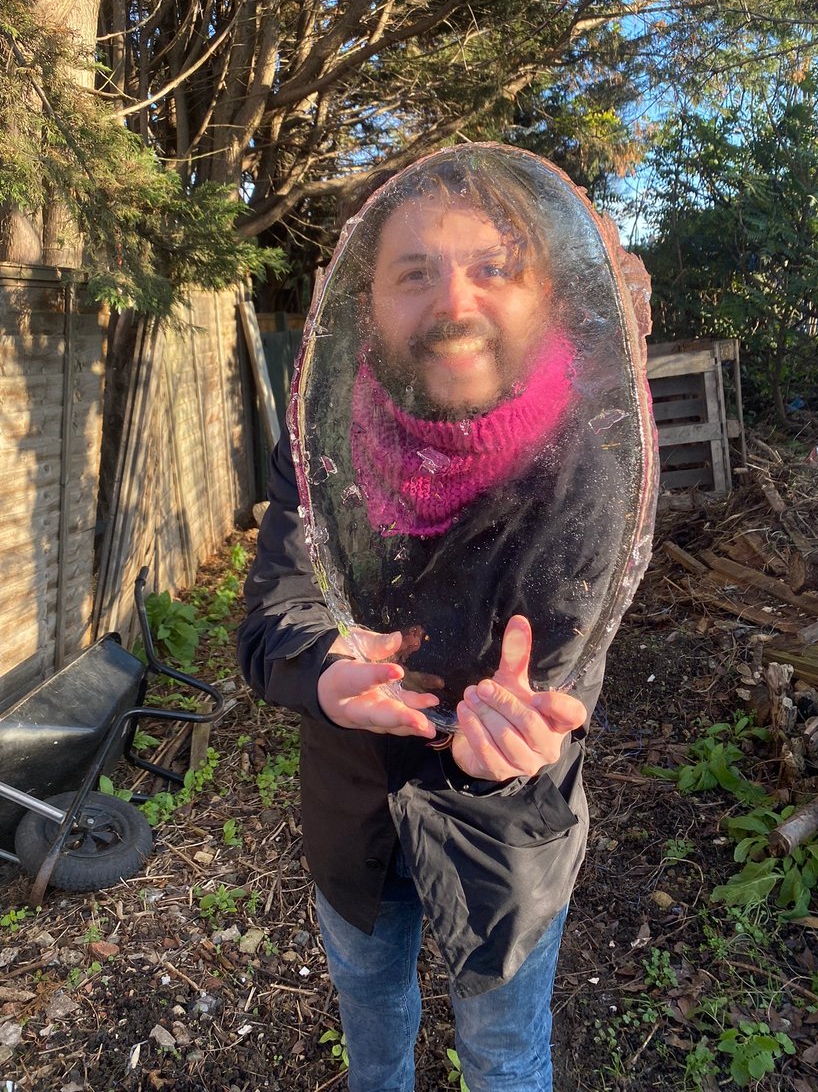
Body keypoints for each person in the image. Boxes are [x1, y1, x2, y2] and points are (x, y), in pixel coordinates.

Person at [237, 146, 656, 1092]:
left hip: (506, 837)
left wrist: (511, 739)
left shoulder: (593, 458)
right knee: (373, 1037)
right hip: (354, 827)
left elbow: (565, 668)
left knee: (505, 1057)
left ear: (547, 292)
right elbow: (272, 623)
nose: (453, 303)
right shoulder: (322, 438)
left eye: (492, 267)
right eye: (413, 273)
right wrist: (326, 678)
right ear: (365, 301)